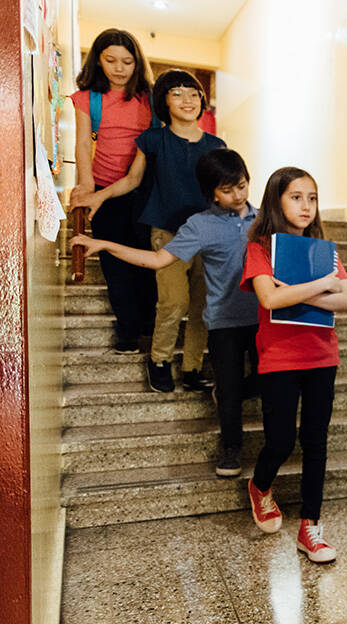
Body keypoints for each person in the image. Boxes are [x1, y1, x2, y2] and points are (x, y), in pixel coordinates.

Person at [70, 149, 260, 478]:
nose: (237, 195)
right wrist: (105, 245)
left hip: (263, 319)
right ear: (211, 192)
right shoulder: (200, 225)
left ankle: (231, 393)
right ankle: (231, 448)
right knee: (229, 392)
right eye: (227, 190)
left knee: (264, 382)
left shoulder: (263, 219)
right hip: (224, 321)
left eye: (241, 186)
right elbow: (157, 260)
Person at [73, 69, 225, 393]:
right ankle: (159, 360)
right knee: (174, 301)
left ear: (202, 101)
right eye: (177, 93)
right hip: (167, 232)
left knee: (203, 305)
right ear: (164, 101)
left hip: (208, 235)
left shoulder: (216, 145)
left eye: (194, 94)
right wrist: (98, 195)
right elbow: (132, 180)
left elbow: (225, 191)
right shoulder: (153, 139)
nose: (187, 100)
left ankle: (193, 368)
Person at [241, 167, 347, 563]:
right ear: (276, 200)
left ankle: (310, 527)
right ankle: (260, 487)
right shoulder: (260, 247)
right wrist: (323, 285)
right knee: (280, 441)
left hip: (322, 355)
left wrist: (296, 292)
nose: (306, 205)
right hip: (278, 358)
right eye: (296, 197)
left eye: (312, 197)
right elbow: (269, 300)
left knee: (316, 442)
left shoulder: (325, 249)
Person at [68, 28, 157, 353]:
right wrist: (87, 186)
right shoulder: (87, 98)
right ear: (98, 60)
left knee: (146, 261)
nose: (119, 68)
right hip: (104, 188)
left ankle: (150, 324)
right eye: (111, 60)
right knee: (114, 264)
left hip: (144, 189)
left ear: (137, 63)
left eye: (127, 61)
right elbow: (81, 144)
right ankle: (128, 332)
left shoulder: (148, 97)